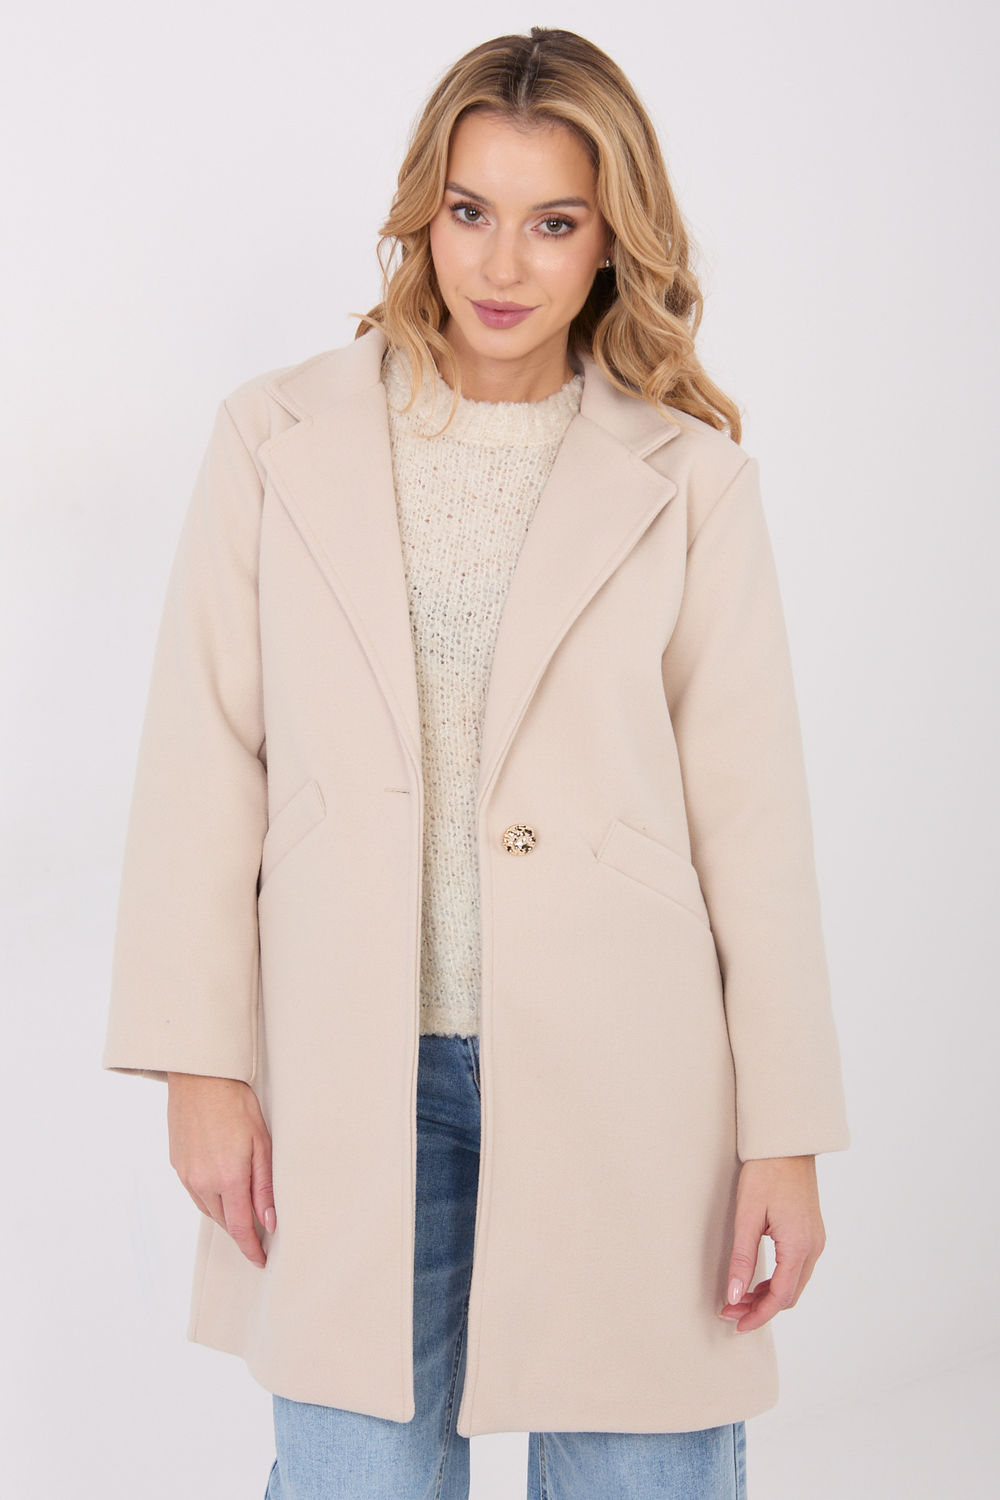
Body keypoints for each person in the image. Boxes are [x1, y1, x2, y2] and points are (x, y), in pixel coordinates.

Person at [103, 26, 849, 1500]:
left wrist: (787, 1138)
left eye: (554, 222)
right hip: (346, 1073)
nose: (503, 264)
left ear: (613, 239)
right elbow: (206, 756)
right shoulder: (275, 437)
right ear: (423, 212)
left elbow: (753, 824)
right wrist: (201, 1064)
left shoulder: (691, 482)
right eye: (471, 211)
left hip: (633, 1076)